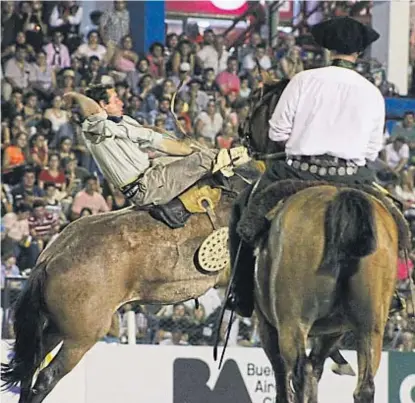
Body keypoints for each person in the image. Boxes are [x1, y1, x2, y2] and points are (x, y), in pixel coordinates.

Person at [226, 16, 386, 317]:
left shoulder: (303, 81)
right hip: (352, 176)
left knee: (242, 211)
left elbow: (277, 133)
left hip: (298, 170)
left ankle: (242, 294)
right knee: (395, 220)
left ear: (327, 48)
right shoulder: (372, 92)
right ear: (360, 52)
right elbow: (371, 150)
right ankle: (391, 299)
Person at [63, 84, 222, 208]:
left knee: (199, 156)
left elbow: (156, 140)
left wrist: (187, 146)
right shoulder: (95, 128)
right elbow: (94, 111)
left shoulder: (125, 120)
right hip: (145, 186)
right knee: (208, 158)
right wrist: (75, 95)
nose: (121, 102)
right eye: (115, 99)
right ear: (103, 105)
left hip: (153, 172)